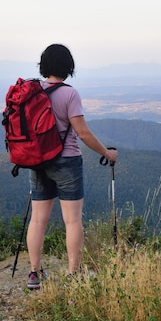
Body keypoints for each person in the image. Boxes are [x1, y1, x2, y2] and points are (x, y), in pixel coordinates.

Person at [25, 43, 118, 290]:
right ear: (68, 66)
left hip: (38, 160)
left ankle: (34, 273)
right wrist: (107, 153)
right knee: (72, 221)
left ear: (44, 65)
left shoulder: (32, 92)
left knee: (37, 221)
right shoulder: (69, 94)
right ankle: (73, 274)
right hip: (66, 161)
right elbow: (83, 133)